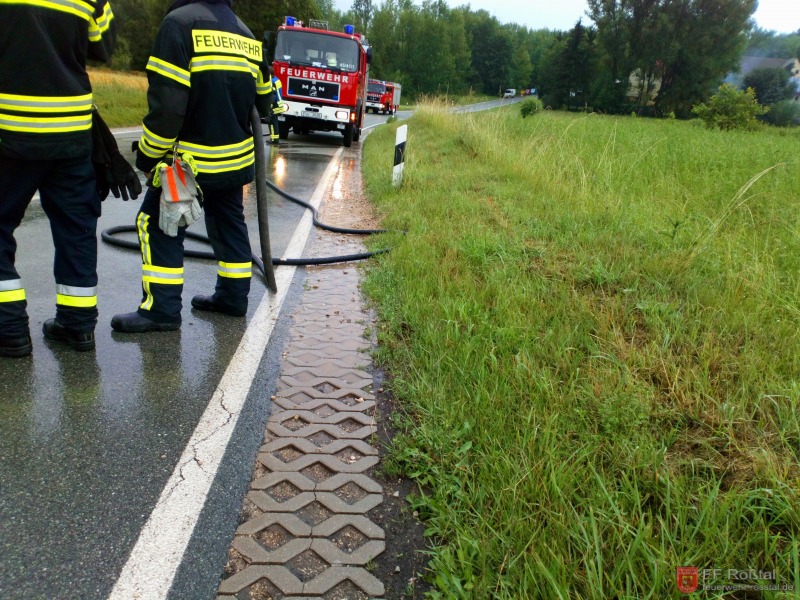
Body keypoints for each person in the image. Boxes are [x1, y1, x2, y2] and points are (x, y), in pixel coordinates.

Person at [110, 0, 272, 334]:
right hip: (235, 160)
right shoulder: (246, 35)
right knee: (229, 223)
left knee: (158, 224)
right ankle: (232, 298)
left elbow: (168, 109)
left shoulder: (178, 25)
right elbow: (265, 101)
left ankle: (162, 310)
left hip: (188, 163)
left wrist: (149, 158)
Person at [0, 0, 121, 357]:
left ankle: (8, 329)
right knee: (76, 228)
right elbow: (103, 48)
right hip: (72, 134)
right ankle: (77, 324)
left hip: (10, 132)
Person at [267, 66, 286, 145]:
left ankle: (274, 140)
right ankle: (275, 139)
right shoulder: (277, 80)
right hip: (279, 104)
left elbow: (273, 95)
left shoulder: (272, 82)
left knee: (272, 122)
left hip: (275, 105)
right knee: (274, 122)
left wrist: (270, 105)